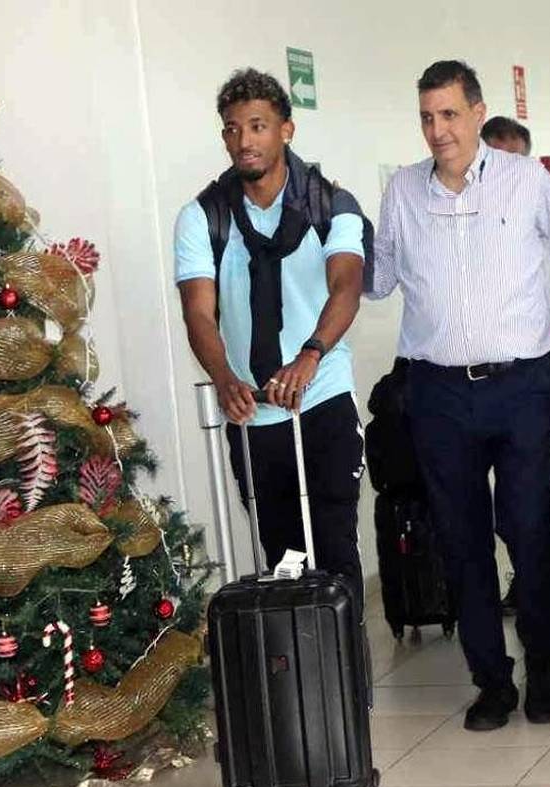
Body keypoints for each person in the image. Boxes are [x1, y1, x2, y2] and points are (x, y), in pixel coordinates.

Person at [369, 60, 550, 731]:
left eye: (449, 114)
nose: (437, 130)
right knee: (461, 537)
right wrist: (335, 253)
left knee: (529, 527)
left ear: (477, 112)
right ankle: (491, 682)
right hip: (438, 389)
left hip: (523, 381)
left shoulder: (523, 179)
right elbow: (379, 278)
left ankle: (543, 669)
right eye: (426, 117)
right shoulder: (402, 194)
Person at [175, 68, 368, 602]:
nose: (244, 140)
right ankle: (298, 677)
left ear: (286, 130)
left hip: (321, 396)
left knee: (333, 545)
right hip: (253, 409)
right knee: (283, 557)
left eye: (257, 126)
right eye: (233, 129)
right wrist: (223, 376)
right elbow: (198, 313)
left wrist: (310, 354)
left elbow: (346, 286)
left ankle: (345, 676)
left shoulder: (332, 204)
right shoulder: (203, 216)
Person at [480, 115, 550, 633]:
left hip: (533, 369)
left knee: (532, 490)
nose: (504, 166)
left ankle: (543, 595)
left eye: (515, 156)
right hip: (471, 380)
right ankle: (523, 584)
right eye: (496, 154)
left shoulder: (541, 203)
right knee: (499, 504)